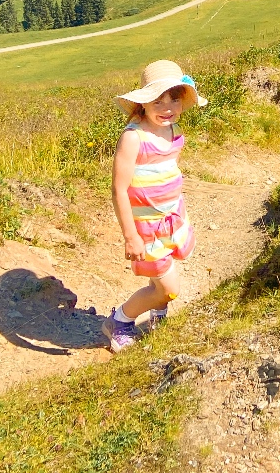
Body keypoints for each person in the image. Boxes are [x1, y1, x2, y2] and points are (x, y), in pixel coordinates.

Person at [102, 59, 205, 353]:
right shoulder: (133, 138)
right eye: (157, 101)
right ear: (143, 104)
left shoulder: (172, 132)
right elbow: (119, 189)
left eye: (174, 99)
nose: (167, 107)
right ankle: (120, 321)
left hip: (171, 219)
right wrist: (130, 235)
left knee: (163, 283)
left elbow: (165, 172)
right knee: (170, 288)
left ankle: (158, 312)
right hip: (146, 229)